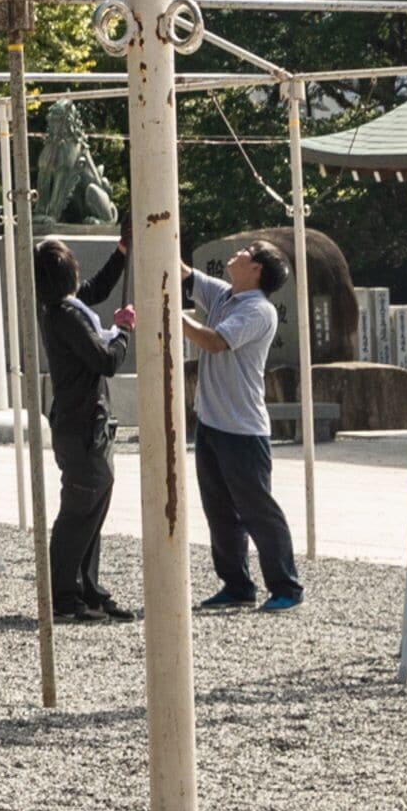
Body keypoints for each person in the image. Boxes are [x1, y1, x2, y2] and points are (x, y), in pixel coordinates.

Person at [180, 241, 302, 612]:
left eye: (249, 251)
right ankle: (236, 585)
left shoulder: (258, 310)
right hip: (212, 424)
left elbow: (216, 342)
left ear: (258, 269)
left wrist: (171, 316)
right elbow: (184, 274)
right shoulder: (226, 296)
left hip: (244, 430)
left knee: (257, 509)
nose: (239, 252)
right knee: (219, 510)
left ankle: (286, 587)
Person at [34, 237, 135, 622]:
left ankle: (88, 589)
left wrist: (121, 254)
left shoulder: (64, 309)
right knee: (80, 511)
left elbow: (95, 290)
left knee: (92, 508)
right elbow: (105, 360)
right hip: (81, 429)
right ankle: (64, 595)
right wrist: (123, 332)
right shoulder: (67, 317)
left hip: (85, 426)